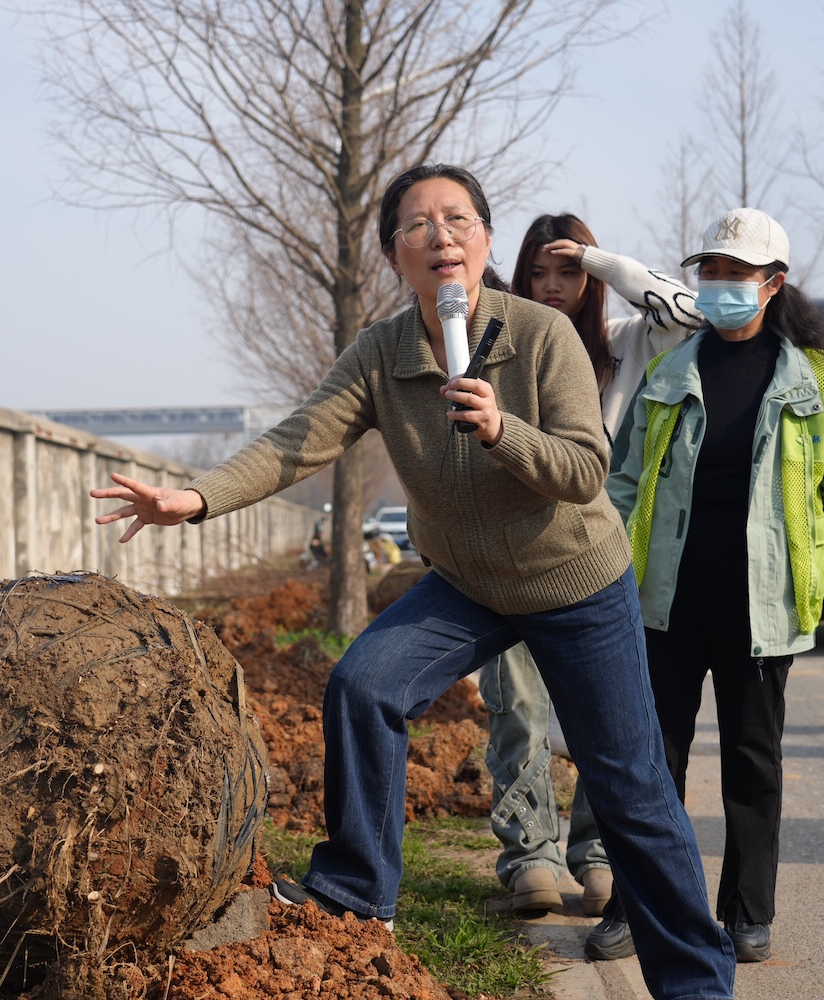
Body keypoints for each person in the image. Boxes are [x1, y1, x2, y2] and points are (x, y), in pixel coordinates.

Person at [92, 163, 737, 1000]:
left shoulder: (542, 335)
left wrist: (504, 430)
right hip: (467, 580)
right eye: (418, 224)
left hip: (573, 580)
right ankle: (361, 894)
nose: (441, 236)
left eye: (458, 219)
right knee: (364, 685)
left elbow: (584, 469)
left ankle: (695, 983)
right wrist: (196, 497)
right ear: (394, 254)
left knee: (631, 788)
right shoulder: (382, 355)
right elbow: (300, 439)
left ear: (487, 241)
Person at [601, 207, 824, 963]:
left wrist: (809, 567)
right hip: (665, 604)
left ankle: (748, 912)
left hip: (759, 608)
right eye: (711, 272)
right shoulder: (669, 370)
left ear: (772, 283)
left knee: (752, 763)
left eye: (736, 274)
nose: (720, 285)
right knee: (651, 760)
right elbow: (623, 482)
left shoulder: (813, 381)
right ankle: (641, 906)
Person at [478, 214, 702, 919]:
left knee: (608, 714)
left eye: (566, 272)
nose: (551, 287)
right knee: (517, 703)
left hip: (601, 555)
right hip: (511, 547)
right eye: (538, 272)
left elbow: (689, 313)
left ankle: (598, 853)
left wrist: (602, 260)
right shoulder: (502, 346)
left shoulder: (624, 343)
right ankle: (529, 855)